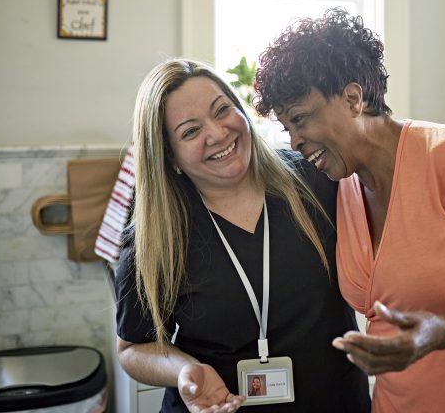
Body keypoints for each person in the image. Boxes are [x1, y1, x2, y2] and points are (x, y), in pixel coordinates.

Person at [254, 8, 445, 412]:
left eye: (300, 119)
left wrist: (442, 330)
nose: (295, 141)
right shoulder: (341, 184)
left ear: (353, 98)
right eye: (286, 128)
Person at [115, 58, 370, 413]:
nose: (218, 134)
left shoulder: (315, 180)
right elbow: (132, 348)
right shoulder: (157, 233)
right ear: (169, 157)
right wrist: (185, 370)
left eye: (222, 110)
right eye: (190, 131)